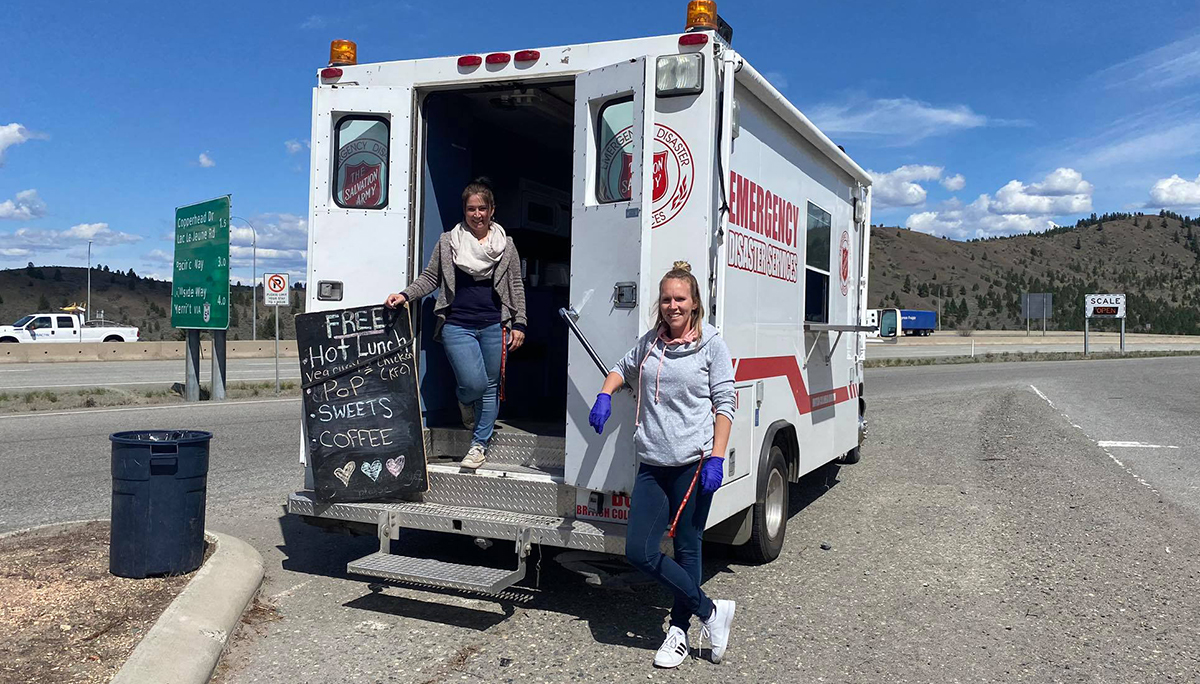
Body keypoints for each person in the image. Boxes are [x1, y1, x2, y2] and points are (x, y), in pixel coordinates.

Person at [588, 261, 737, 668]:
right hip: (653, 463)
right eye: (667, 299)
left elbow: (726, 404)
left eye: (680, 299)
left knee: (688, 548)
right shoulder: (651, 342)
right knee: (639, 550)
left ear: (694, 304)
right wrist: (605, 393)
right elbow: (622, 367)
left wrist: (717, 459)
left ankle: (679, 630)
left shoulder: (712, 345)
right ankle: (711, 611)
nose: (672, 306)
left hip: (693, 463)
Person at [385, 178, 526, 469]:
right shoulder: (449, 241)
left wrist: (520, 324)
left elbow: (516, 285)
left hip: (493, 323)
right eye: (471, 209)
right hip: (457, 324)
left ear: (492, 210)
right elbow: (430, 278)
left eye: (482, 208)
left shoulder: (506, 245)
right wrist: (404, 294)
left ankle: (478, 444)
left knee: (491, 386)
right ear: (464, 211)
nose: (477, 214)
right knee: (472, 384)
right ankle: (464, 402)